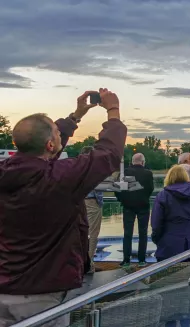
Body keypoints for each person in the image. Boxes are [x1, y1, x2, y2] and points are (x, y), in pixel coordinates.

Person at [0, 88, 126, 326]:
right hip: (42, 294)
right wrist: (113, 111)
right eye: (58, 133)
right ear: (50, 144)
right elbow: (107, 154)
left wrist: (75, 117)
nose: (60, 134)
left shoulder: (9, 173)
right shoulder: (58, 179)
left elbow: (41, 153)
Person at [150, 165, 190, 262]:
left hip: (168, 244)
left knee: (170, 276)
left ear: (169, 177)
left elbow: (156, 224)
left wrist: (158, 240)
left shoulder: (162, 195)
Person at [115, 153, 154, 268]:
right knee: (143, 233)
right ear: (143, 162)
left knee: (127, 234)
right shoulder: (148, 174)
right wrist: (144, 197)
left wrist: (122, 199)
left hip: (128, 206)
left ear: (132, 162)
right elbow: (150, 189)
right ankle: (141, 260)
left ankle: (126, 260)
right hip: (143, 206)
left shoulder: (124, 173)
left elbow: (117, 189)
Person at [81, 146, 105, 274]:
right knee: (92, 234)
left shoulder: (77, 167)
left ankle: (86, 263)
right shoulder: (92, 169)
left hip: (80, 202)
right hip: (91, 202)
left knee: (82, 234)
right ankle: (88, 265)